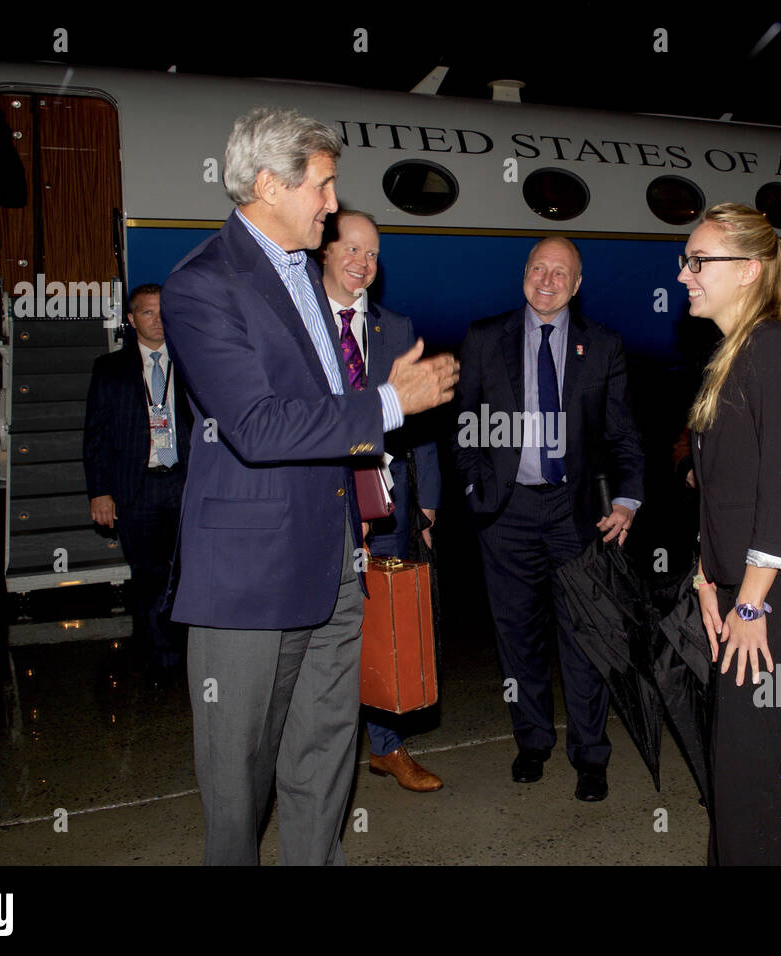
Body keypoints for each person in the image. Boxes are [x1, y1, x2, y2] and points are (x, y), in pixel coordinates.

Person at [159, 107, 458, 866]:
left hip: (334, 565)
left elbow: (326, 411)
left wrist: (370, 440)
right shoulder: (202, 286)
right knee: (237, 785)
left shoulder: (303, 277)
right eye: (323, 186)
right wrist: (392, 403)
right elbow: (259, 426)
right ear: (269, 184)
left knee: (324, 763)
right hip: (249, 580)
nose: (332, 202)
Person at [455, 237, 644, 802]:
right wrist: (475, 491)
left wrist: (628, 499)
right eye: (539, 268)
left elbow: (624, 432)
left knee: (586, 636)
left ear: (577, 284)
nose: (547, 280)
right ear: (524, 276)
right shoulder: (485, 338)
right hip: (506, 514)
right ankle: (531, 740)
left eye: (560, 272)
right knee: (518, 638)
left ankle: (590, 755)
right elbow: (466, 424)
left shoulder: (603, 345)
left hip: (577, 512)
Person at [681, 203, 781, 866]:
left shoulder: (772, 347)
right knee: (739, 765)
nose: (683, 273)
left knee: (745, 768)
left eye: (698, 261)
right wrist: (706, 578)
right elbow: (720, 489)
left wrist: (749, 601)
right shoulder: (732, 353)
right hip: (746, 582)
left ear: (748, 271)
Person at [318, 209, 443, 792]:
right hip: (316, 503)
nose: (362, 263)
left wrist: (430, 501)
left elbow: (422, 423)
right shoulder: (300, 322)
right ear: (324, 251)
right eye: (351, 249)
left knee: (384, 620)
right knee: (322, 626)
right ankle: (320, 752)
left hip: (386, 503)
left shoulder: (396, 327)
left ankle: (387, 748)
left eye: (372, 254)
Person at [82, 283, 192, 685]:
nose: (158, 320)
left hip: (184, 484)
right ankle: (161, 655)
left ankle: (183, 647)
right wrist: (100, 491)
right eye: (148, 313)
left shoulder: (193, 362)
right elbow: (96, 436)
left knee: (185, 571)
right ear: (131, 320)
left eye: (164, 311)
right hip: (137, 487)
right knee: (147, 575)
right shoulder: (109, 369)